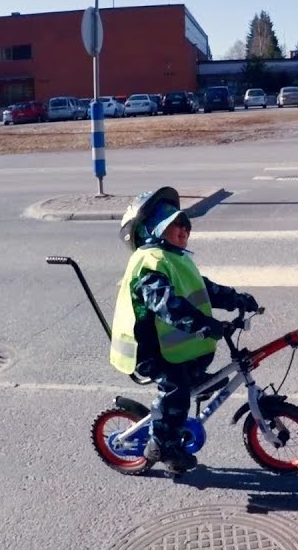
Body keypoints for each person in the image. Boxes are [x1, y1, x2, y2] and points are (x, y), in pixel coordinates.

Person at [109, 186, 259, 475]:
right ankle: (163, 445)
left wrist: (235, 298)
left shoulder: (176, 258)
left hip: (173, 347)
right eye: (172, 225)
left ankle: (186, 393)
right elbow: (168, 305)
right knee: (176, 389)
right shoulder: (150, 263)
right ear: (152, 230)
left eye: (184, 224)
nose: (182, 230)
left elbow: (203, 289)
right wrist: (205, 325)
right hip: (150, 349)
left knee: (194, 372)